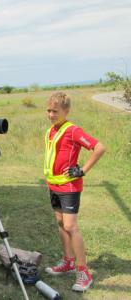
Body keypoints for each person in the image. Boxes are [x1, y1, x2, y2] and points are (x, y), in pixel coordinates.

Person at [43, 92, 105, 292]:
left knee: (71, 227)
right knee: (61, 223)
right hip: (54, 185)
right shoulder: (52, 130)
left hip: (69, 186)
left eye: (56, 111)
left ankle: (83, 272)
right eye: (49, 110)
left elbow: (99, 148)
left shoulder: (72, 130)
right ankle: (68, 261)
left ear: (66, 111)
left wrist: (83, 170)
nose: (51, 114)